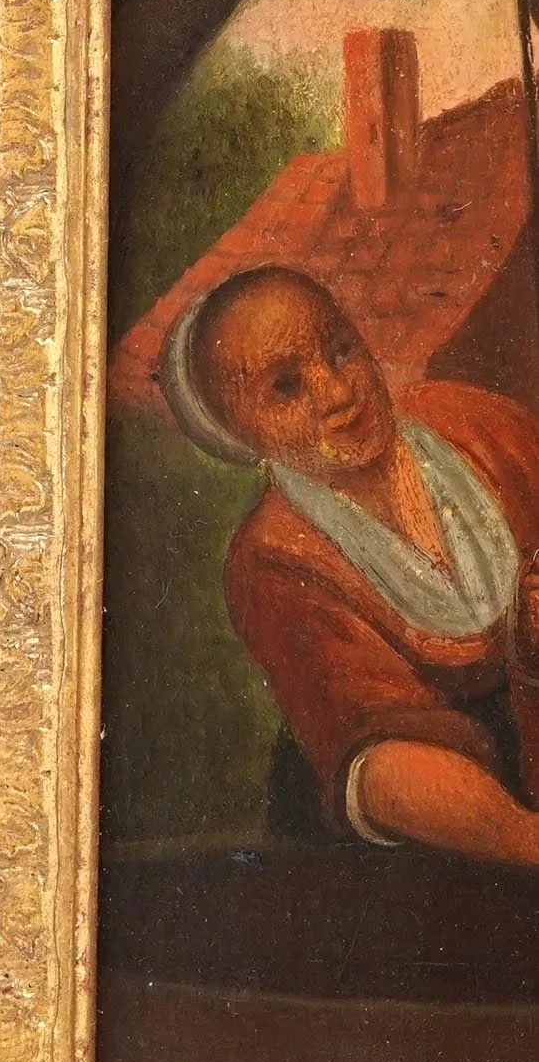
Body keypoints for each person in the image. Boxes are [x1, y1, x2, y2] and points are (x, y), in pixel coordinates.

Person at [162, 264, 539, 866]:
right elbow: (386, 765)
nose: (339, 393)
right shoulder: (272, 558)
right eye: (287, 388)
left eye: (341, 351)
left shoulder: (472, 422)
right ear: (242, 434)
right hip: (427, 830)